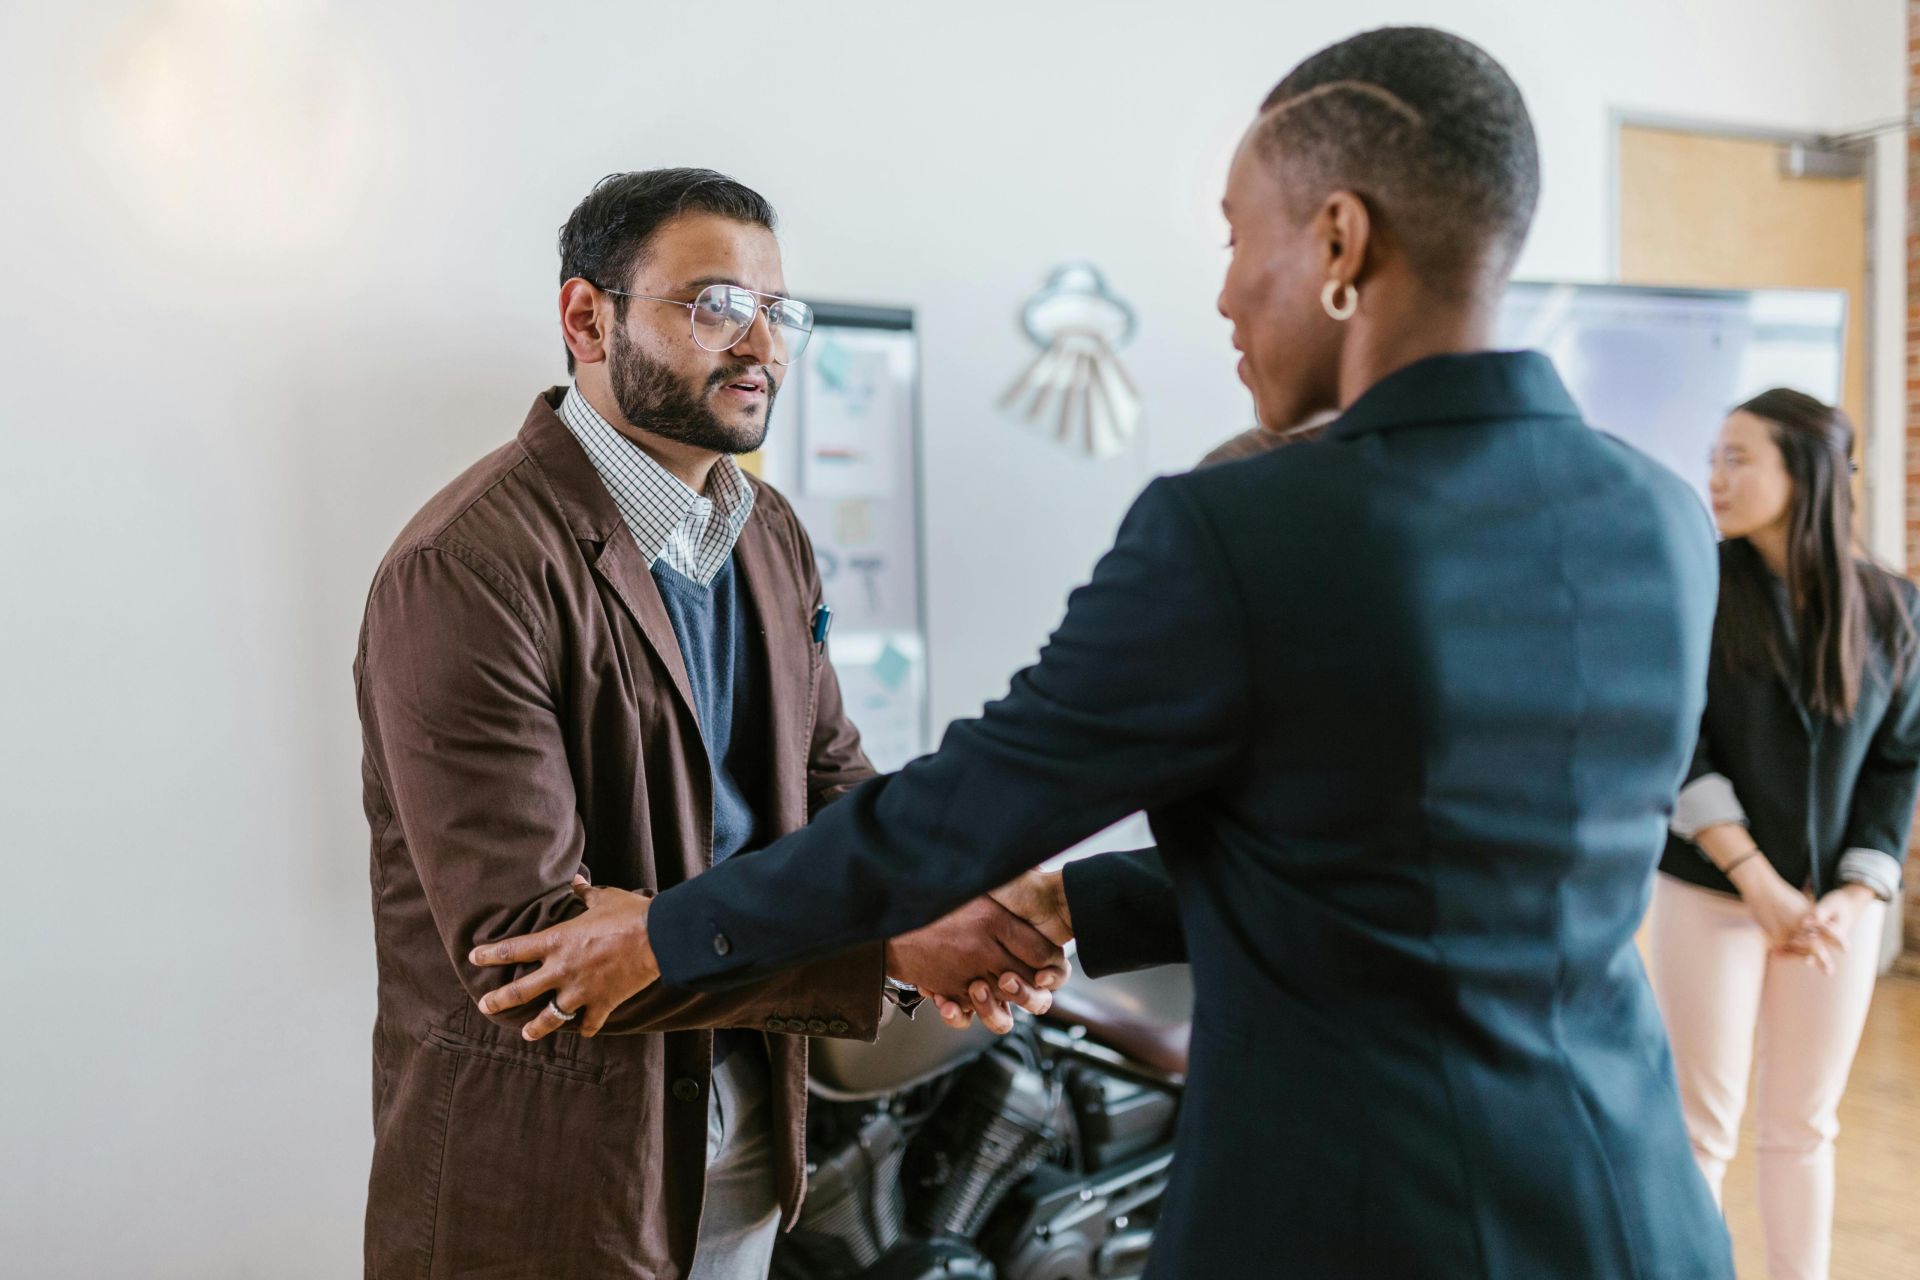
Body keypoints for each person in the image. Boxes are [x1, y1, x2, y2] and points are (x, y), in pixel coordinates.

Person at [470, 31, 1734, 1278]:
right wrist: (1073, 902)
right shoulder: (1662, 515)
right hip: (1631, 1204)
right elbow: (1411, 863)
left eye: (1240, 239)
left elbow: (960, 812)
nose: (1228, 292)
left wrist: (668, 932)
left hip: (1359, 1216)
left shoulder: (1249, 529)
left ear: (1342, 242)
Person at [353, 168, 1065, 1280]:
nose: (762, 347)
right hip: (551, 1188)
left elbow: (833, 784)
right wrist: (884, 942)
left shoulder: (767, 531)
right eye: (714, 305)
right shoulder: (468, 567)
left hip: (744, 1152)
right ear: (586, 318)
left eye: (778, 312)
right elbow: (531, 939)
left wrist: (940, 894)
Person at [1648, 389, 1920, 1280]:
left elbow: (1898, 760)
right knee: (1703, 1124)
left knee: (1805, 1127)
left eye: (1739, 457)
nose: (1715, 477)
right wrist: (1757, 878)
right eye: (1715, 455)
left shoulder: (1891, 606)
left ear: (1803, 474)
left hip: (1836, 912)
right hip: (1712, 890)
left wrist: (1858, 890)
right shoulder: (1696, 584)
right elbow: (1676, 740)